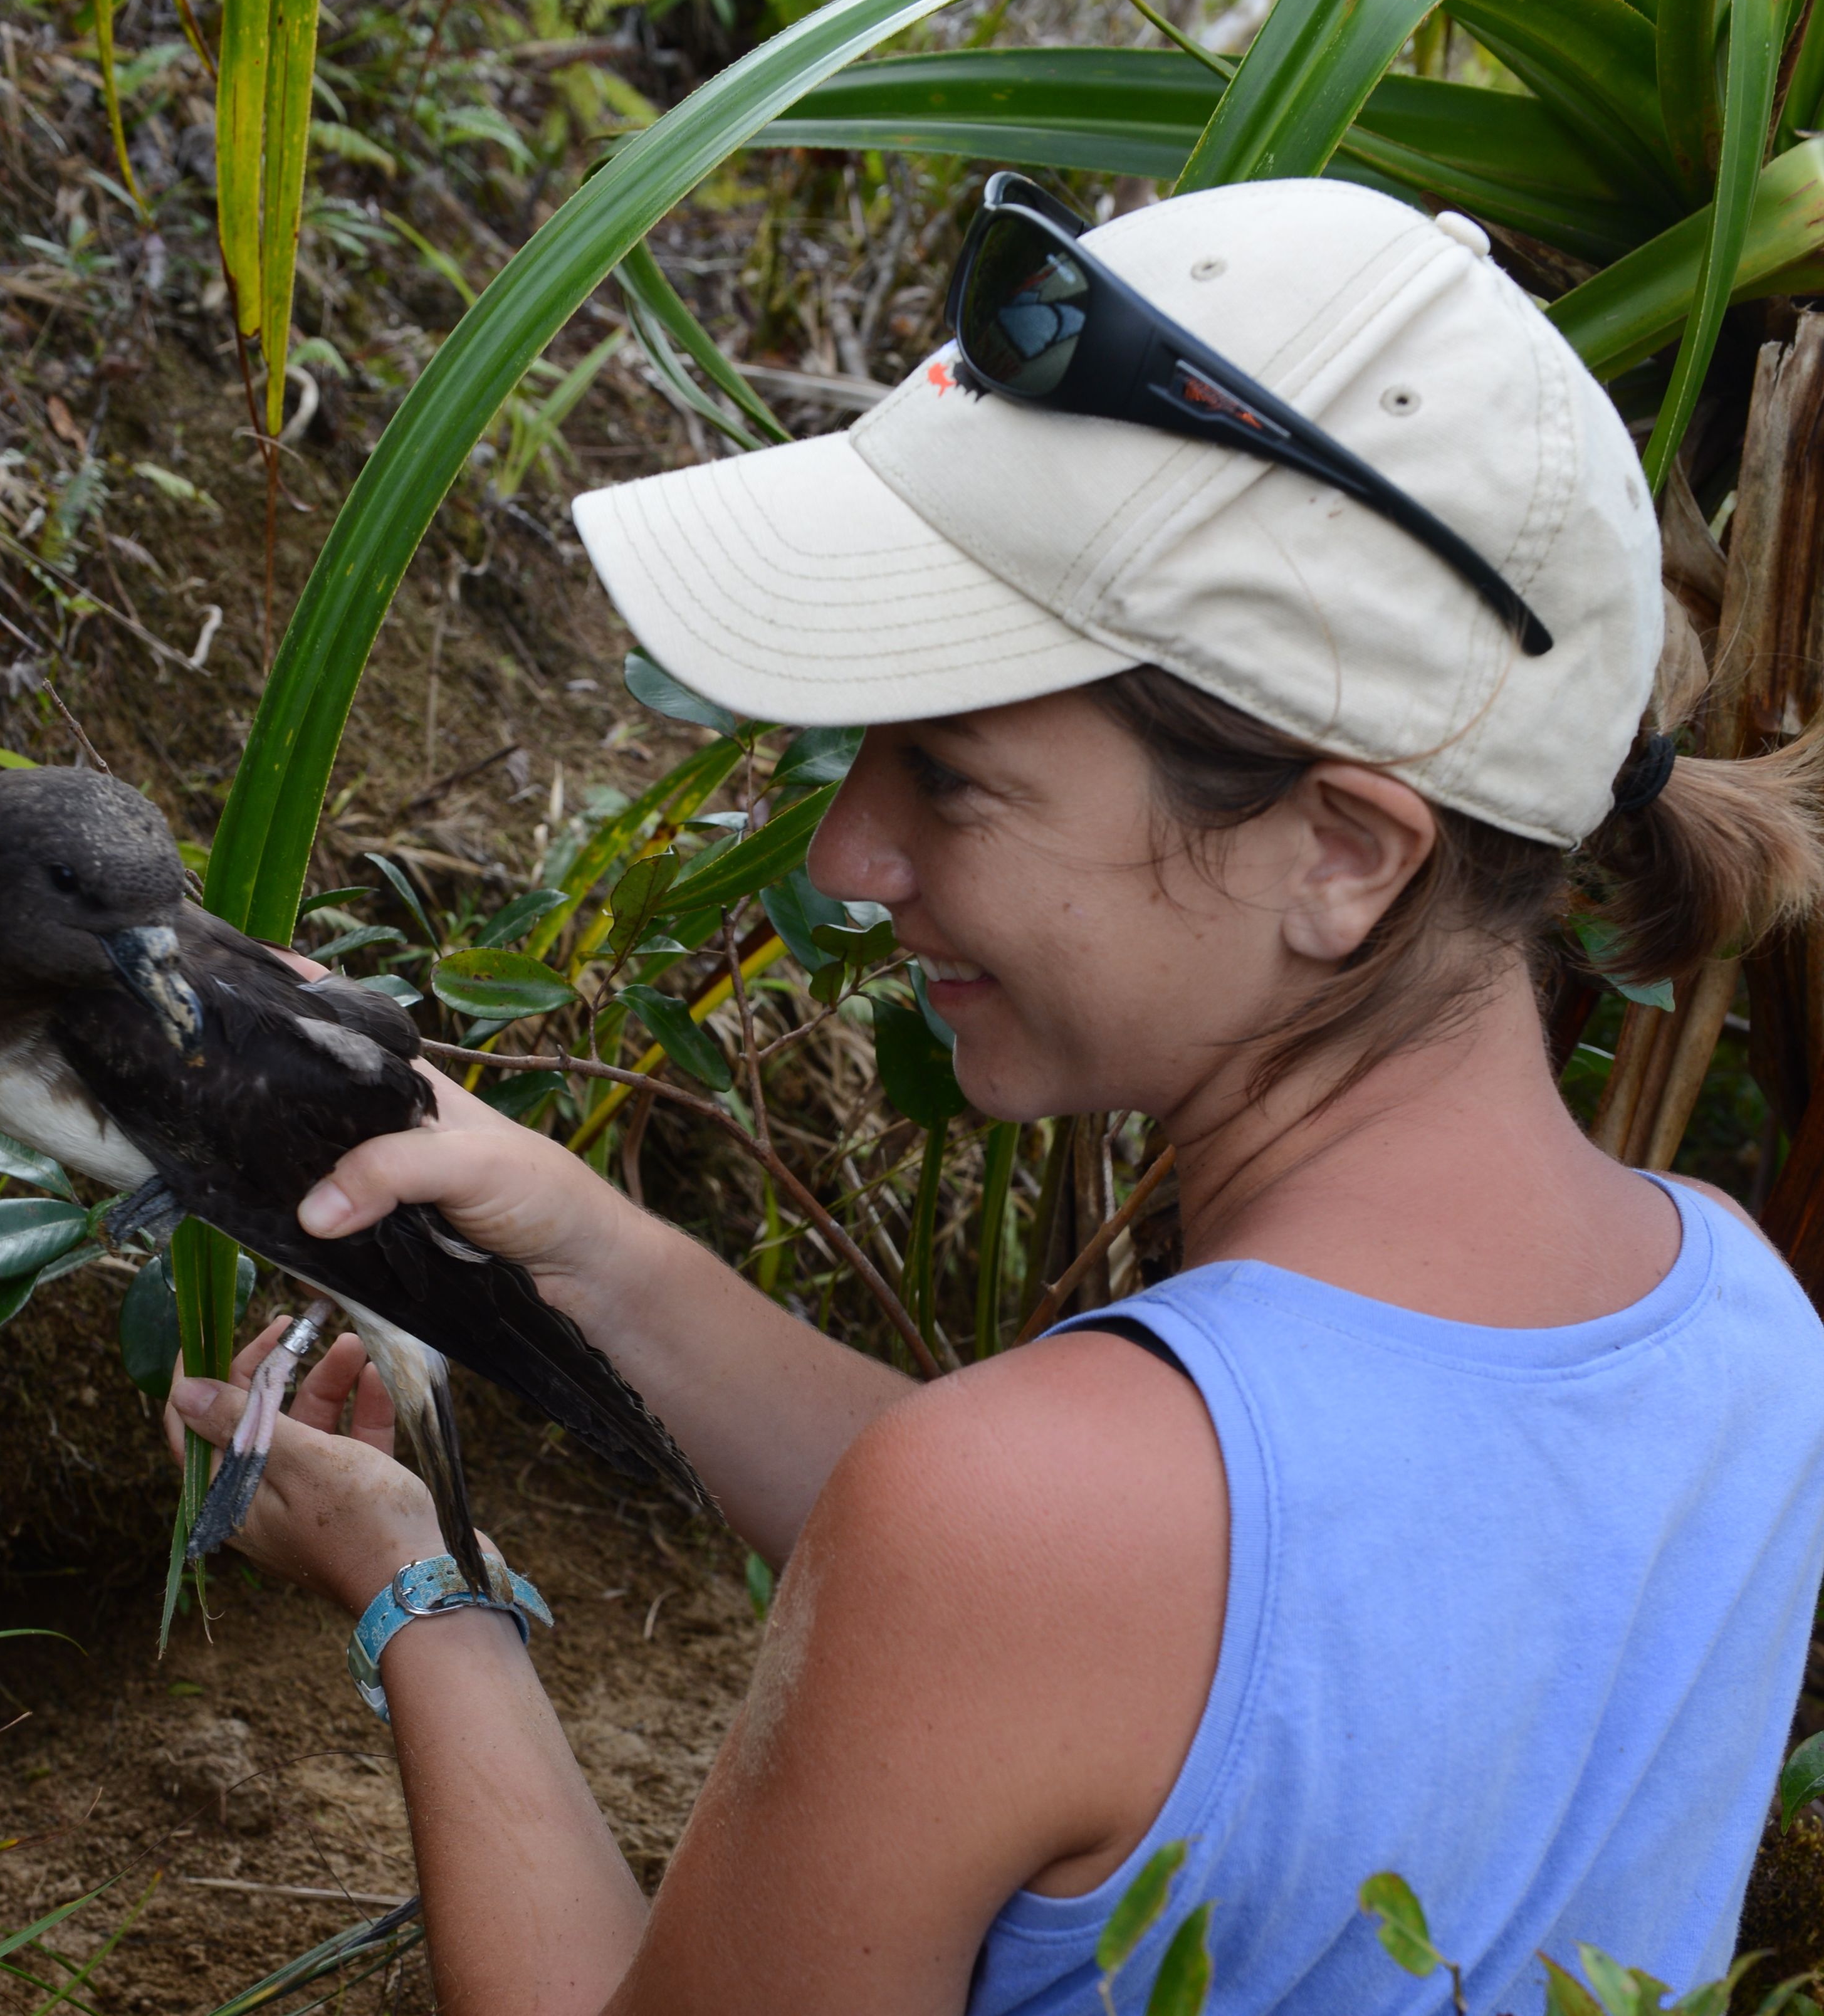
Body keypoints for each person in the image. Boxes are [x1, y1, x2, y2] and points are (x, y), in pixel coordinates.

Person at [164, 176, 1824, 2015]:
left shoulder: (1026, 1517)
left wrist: (424, 1597)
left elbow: (1040, 1566)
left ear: (1342, 851)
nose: (855, 850)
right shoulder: (1739, 1319)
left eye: (951, 776)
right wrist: (589, 1243)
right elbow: (1191, 1609)